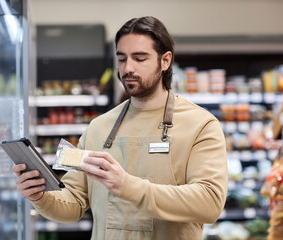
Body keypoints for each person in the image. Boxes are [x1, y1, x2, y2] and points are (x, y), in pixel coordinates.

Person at [13, 16, 228, 240]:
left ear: (165, 61)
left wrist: (127, 186)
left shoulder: (201, 125)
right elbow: (74, 202)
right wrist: (40, 195)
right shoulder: (98, 127)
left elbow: (210, 203)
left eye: (139, 58)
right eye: (122, 59)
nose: (128, 68)